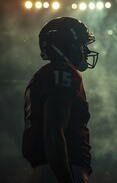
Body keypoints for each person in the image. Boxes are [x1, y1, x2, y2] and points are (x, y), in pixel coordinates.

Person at [22, 16, 99, 183]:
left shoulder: (43, 75)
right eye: (81, 44)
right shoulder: (62, 72)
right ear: (67, 45)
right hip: (60, 170)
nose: (85, 50)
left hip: (48, 170)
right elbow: (53, 131)